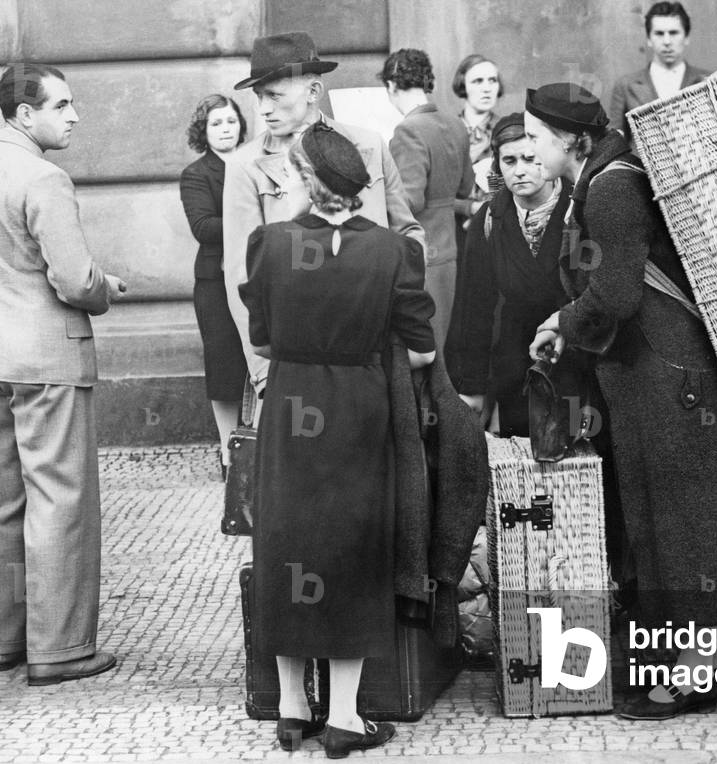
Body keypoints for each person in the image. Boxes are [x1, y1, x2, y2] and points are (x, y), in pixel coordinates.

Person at [525, 83, 717, 720]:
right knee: (671, 518)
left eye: (534, 135)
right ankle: (694, 657)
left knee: (688, 524)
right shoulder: (604, 176)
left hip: (670, 376)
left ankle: (698, 676)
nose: (527, 146)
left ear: (567, 140)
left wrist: (560, 321)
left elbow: (616, 292)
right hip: (657, 372)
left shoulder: (611, 187)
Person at [238, 123, 435, 756]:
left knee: (289, 544)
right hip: (358, 410)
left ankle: (293, 711)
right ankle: (346, 718)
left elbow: (263, 341)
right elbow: (424, 348)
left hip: (290, 409)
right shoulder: (390, 252)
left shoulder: (268, 244)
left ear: (304, 179)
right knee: (352, 547)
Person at [0, 63, 125, 685]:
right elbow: (74, 280)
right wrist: (107, 288)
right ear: (25, 115)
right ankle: (60, 649)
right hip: (47, 356)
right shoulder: (44, 177)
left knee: (5, 504)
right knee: (60, 502)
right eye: (62, 105)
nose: (74, 115)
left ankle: (7, 638)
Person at [223, 32, 424, 406]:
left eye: (275, 95)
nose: (263, 108)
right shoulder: (244, 166)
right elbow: (240, 273)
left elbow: (409, 234)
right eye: (258, 97)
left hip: (374, 354)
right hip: (296, 364)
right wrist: (264, 373)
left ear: (314, 91)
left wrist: (404, 323)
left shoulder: (368, 145)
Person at [446, 112, 572, 434]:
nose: (520, 170)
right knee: (524, 463)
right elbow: (474, 308)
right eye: (509, 160)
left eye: (530, 158)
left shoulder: (576, 206)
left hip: (574, 357)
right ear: (497, 165)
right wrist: (472, 386)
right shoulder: (490, 220)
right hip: (517, 361)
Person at [382, 48, 474, 353]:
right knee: (441, 346)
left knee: (421, 352)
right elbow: (466, 186)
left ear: (392, 86)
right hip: (449, 247)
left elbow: (409, 201)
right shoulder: (455, 124)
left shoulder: (407, 129)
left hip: (419, 253)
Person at [179, 94, 248, 477]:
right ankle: (228, 451)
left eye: (231, 121)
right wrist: (254, 221)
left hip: (258, 274)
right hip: (216, 282)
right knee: (225, 367)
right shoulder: (197, 174)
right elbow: (203, 227)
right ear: (203, 132)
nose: (225, 129)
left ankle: (259, 443)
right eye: (216, 123)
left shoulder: (258, 163)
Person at [608, 2, 709, 146]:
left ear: (686, 37)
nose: (667, 41)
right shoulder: (625, 85)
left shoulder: (707, 81)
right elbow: (614, 144)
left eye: (674, 33)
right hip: (642, 168)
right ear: (649, 39)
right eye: (659, 33)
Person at [451, 54, 503, 232]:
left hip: (495, 227)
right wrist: (468, 208)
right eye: (478, 81)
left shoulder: (508, 132)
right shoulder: (447, 132)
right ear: (463, 85)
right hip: (452, 228)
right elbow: (434, 193)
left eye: (492, 80)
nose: (487, 88)